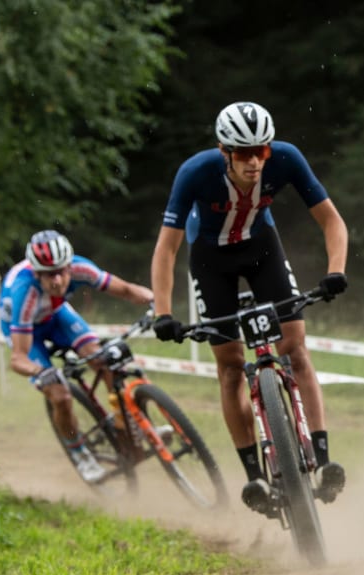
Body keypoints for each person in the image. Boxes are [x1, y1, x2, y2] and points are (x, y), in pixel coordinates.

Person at [150, 101, 350, 515]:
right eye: (243, 154)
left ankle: (323, 456)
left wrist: (335, 270)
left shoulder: (286, 159)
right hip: (210, 259)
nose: (255, 162)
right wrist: (163, 312)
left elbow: (331, 220)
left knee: (294, 348)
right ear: (224, 152)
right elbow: (166, 248)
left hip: (262, 251)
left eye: (261, 151)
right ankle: (254, 475)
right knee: (229, 365)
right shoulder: (195, 172)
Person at [0, 230, 154, 483]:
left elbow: (125, 290)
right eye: (49, 275)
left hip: (56, 314)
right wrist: (40, 372)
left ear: (70, 265)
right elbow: (18, 359)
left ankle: (125, 423)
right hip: (27, 331)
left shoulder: (82, 269)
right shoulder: (24, 292)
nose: (58, 280)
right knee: (59, 394)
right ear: (36, 273)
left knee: (103, 360)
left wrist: (155, 301)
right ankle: (79, 452)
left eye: (62, 271)